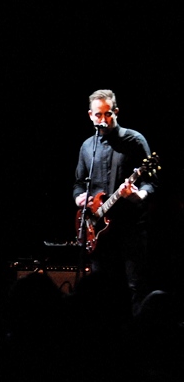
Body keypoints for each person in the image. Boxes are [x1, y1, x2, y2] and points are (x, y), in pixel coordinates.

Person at [72, 89, 156, 315]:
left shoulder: (134, 140)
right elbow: (79, 184)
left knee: (135, 286)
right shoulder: (88, 147)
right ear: (90, 115)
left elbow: (150, 181)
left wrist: (139, 195)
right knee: (101, 289)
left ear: (116, 112)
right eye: (98, 115)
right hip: (98, 231)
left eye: (108, 114)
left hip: (130, 229)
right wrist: (80, 198)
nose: (103, 120)